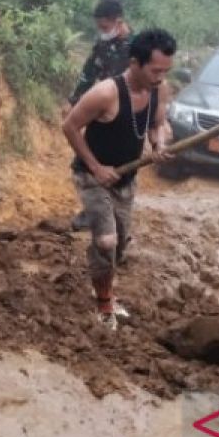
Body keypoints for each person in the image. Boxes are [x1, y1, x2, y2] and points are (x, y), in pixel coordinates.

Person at [63, 28, 175, 331]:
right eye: (155, 70)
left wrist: (159, 145)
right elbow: (70, 127)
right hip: (93, 178)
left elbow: (158, 124)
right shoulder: (105, 93)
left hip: (126, 179)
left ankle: (102, 279)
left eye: (166, 70)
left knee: (120, 243)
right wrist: (97, 167)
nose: (160, 77)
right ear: (135, 63)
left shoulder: (159, 90)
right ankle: (104, 305)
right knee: (106, 240)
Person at [68, 0, 133, 232]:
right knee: (89, 162)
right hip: (100, 112)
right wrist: (74, 102)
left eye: (105, 26)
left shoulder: (136, 49)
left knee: (117, 165)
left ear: (118, 21)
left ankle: (114, 217)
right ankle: (93, 210)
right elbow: (88, 73)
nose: (101, 31)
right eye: (99, 26)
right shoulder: (103, 45)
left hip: (125, 116)